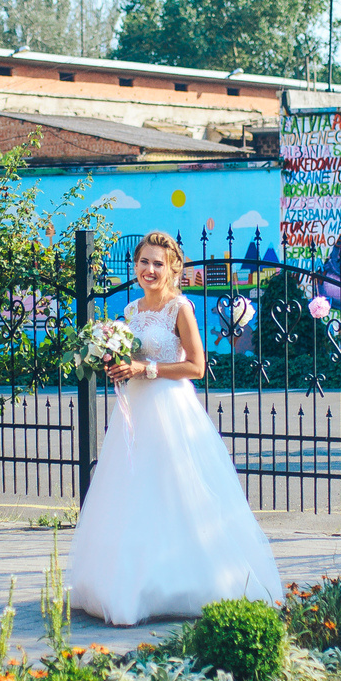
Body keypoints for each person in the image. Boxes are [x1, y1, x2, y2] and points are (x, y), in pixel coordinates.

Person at [68, 230, 283, 625]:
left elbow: (196, 366)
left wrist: (144, 368)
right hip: (134, 412)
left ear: (172, 269)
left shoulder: (179, 308)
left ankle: (189, 584)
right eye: (144, 262)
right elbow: (130, 355)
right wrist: (113, 361)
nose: (149, 269)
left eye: (158, 263)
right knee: (133, 493)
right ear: (135, 265)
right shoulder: (131, 311)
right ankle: (130, 586)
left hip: (170, 409)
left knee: (175, 491)